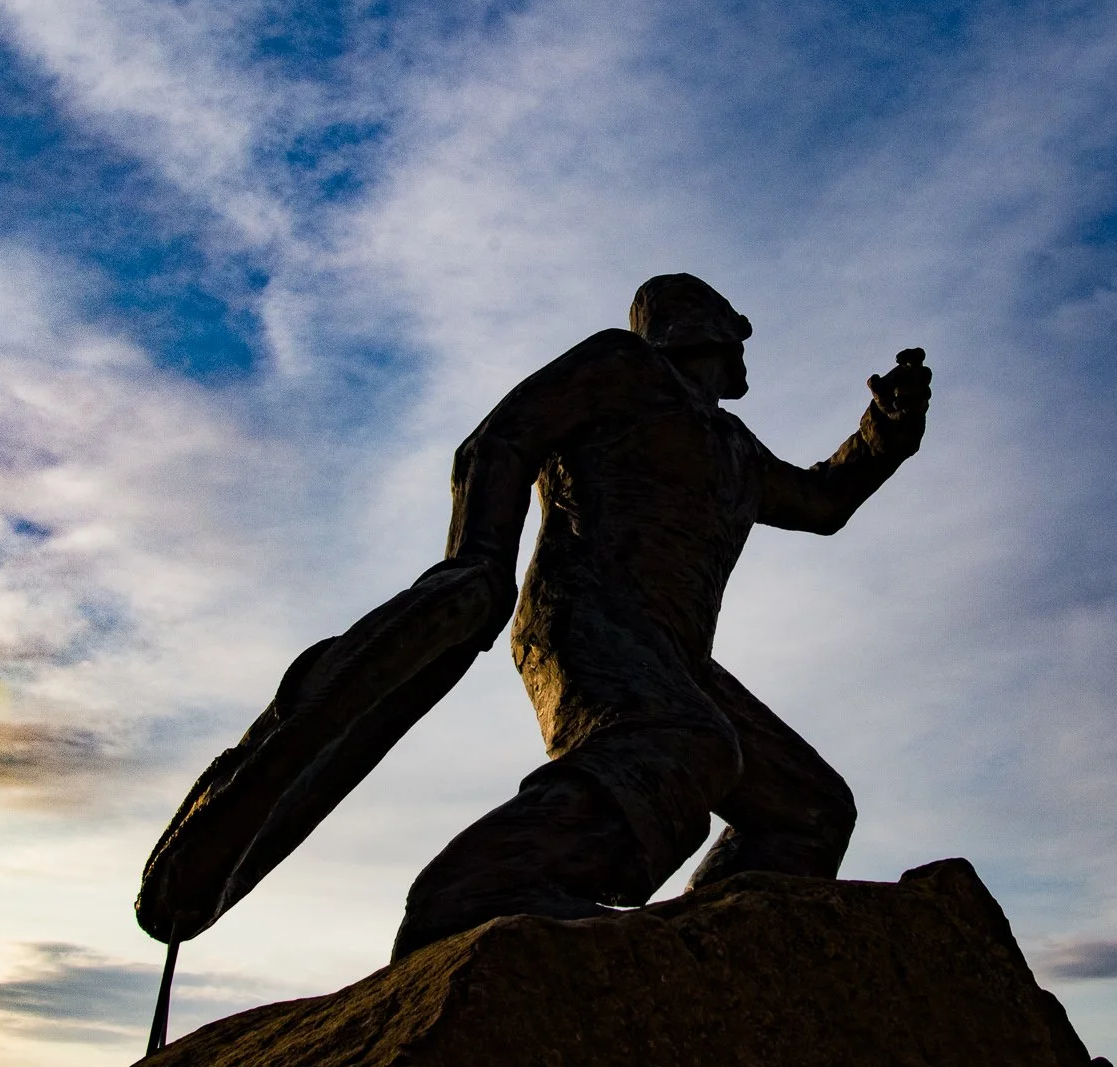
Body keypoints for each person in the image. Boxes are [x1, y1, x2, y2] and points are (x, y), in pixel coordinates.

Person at [392, 274, 930, 958]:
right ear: (701, 327)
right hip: (587, 615)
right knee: (681, 738)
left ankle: (712, 953)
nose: (745, 351)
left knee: (810, 808)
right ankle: (469, 891)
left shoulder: (732, 446)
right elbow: (497, 441)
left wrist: (885, 432)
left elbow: (822, 502)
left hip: (675, 658)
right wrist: (477, 561)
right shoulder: (623, 367)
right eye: (736, 333)